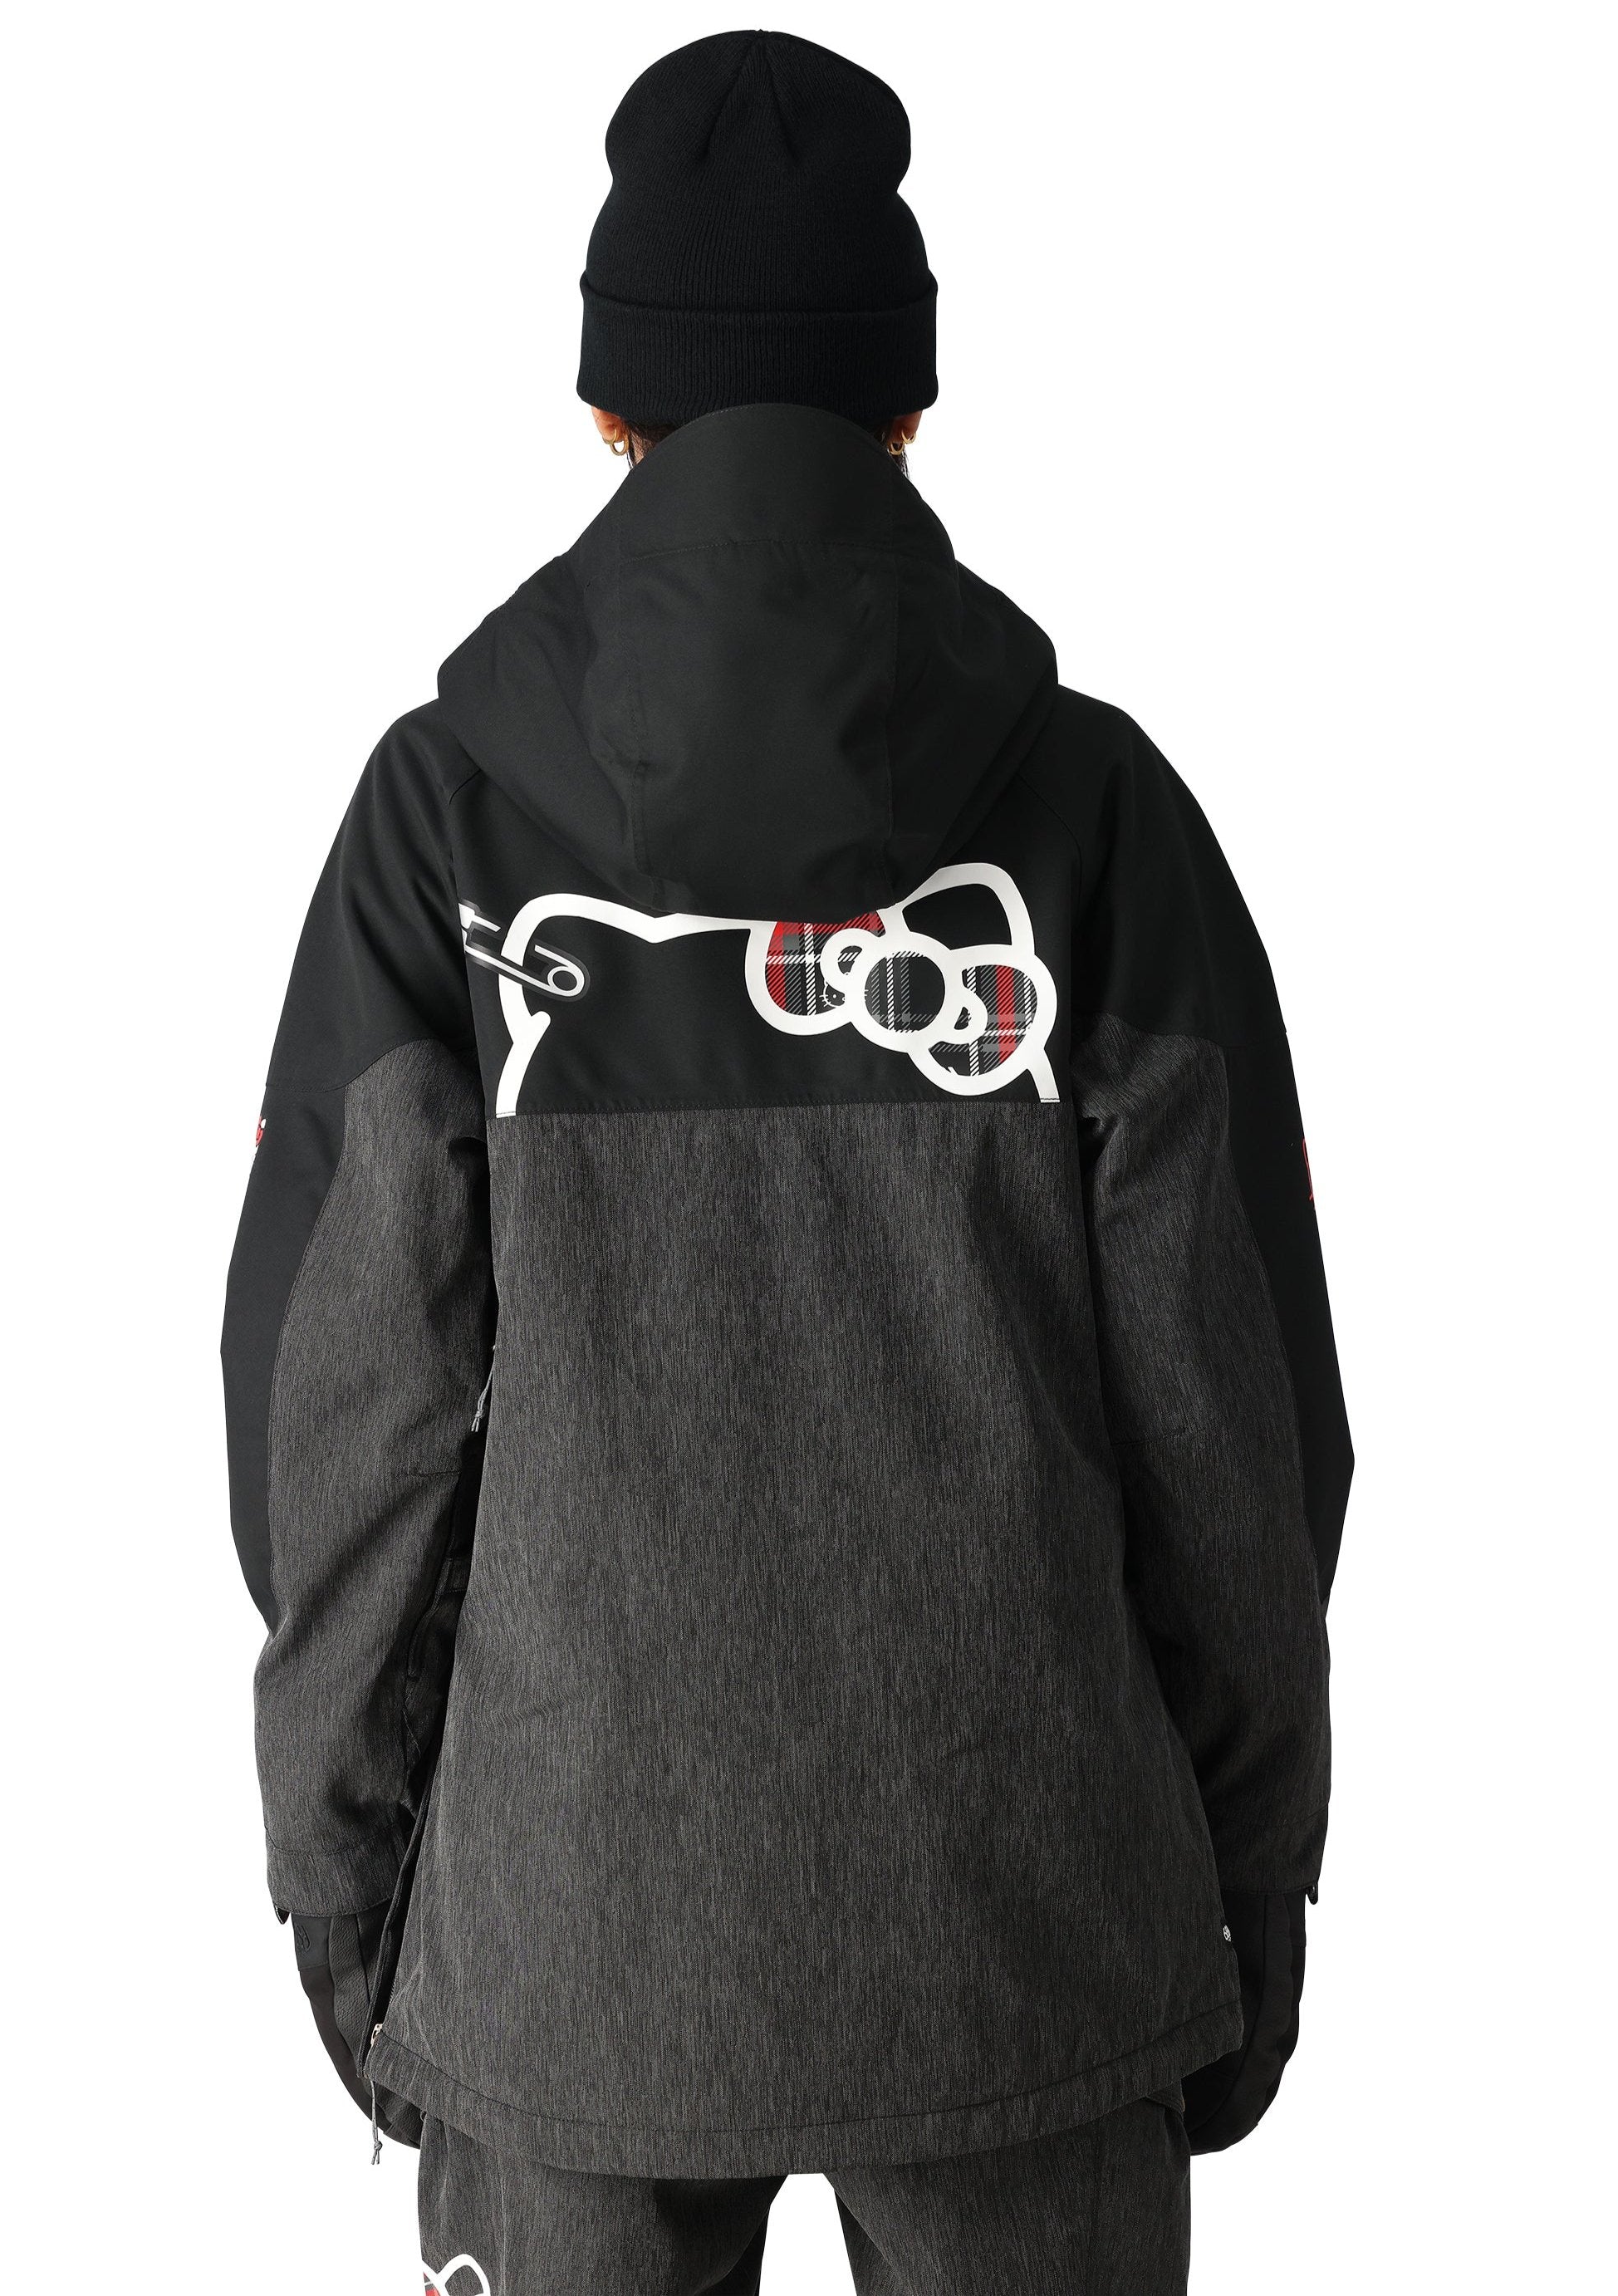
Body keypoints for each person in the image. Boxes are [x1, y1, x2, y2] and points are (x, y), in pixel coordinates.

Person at [223, 30, 1351, 2296]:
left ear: (608, 410)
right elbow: (1240, 1427)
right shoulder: (1096, 816)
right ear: (906, 410)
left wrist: (350, 1901)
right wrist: (1247, 1888)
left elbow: (340, 1430)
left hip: (569, 1942)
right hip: (1035, 1934)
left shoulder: (444, 823)